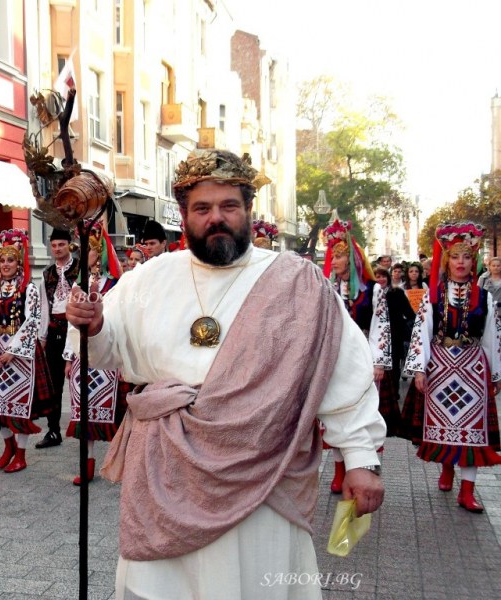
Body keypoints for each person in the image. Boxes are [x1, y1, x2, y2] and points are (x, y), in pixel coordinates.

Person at [67, 149, 385, 598]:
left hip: (263, 467)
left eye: (229, 206)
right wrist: (94, 324)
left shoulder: (298, 282)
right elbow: (106, 349)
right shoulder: (149, 278)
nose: (216, 218)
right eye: (202, 208)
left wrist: (360, 459)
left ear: (249, 210)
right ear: (184, 214)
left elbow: (343, 372)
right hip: (167, 469)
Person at [404, 222, 501, 513]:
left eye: (467, 257)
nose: (461, 262)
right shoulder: (433, 296)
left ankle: (467, 492)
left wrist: (495, 373)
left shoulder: (484, 297)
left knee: (474, 431)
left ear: (474, 261)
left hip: (473, 368)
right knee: (447, 427)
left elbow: (492, 336)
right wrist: (419, 369)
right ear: (447, 261)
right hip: (441, 366)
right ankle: (447, 467)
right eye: (456, 257)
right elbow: (421, 331)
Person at [0, 229, 53, 473]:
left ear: (18, 262)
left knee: (18, 405)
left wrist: (14, 351)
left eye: (10, 260)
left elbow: (32, 320)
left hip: (20, 354)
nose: (6, 264)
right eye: (2, 260)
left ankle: (20, 454)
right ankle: (8, 445)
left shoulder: (28, 289)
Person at [322, 219, 391, 492]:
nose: (334, 260)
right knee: (337, 410)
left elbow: (381, 325)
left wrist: (379, 362)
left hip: (363, 359)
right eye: (333, 255)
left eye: (339, 255)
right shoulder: (327, 288)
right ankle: (339, 471)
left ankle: (365, 470)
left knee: (363, 414)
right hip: (336, 359)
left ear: (352, 258)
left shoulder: (373, 290)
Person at [63, 222, 129, 485]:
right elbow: (73, 321)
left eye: (92, 251)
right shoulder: (78, 284)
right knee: (83, 411)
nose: (88, 257)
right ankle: (87, 463)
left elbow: (124, 319)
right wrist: (69, 357)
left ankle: (120, 461)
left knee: (115, 413)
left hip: (110, 356)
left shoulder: (116, 283)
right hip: (83, 356)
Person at [35, 228, 79, 449]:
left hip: (77, 331)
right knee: (53, 384)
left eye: (61, 245)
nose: (57, 249)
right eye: (53, 245)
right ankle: (53, 431)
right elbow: (44, 307)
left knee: (79, 382)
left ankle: (85, 427)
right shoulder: (47, 274)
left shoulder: (81, 269)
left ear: (69, 245)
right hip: (54, 331)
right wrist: (42, 336)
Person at [372, 266, 415, 435]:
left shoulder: (396, 293)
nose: (380, 279)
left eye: (383, 276)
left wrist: (406, 324)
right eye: (377, 276)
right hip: (377, 337)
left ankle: (394, 393)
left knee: (395, 366)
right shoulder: (371, 294)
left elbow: (409, 312)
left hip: (394, 335)